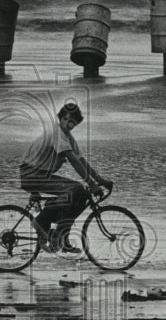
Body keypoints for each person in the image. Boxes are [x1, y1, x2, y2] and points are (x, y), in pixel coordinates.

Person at [19, 101, 113, 253]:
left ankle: (63, 237)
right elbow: (73, 160)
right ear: (60, 119)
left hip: (41, 174)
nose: (68, 124)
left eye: (72, 123)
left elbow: (82, 160)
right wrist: (91, 182)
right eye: (66, 120)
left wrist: (100, 180)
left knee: (81, 194)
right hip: (31, 174)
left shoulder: (67, 137)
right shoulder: (58, 134)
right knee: (76, 189)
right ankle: (42, 220)